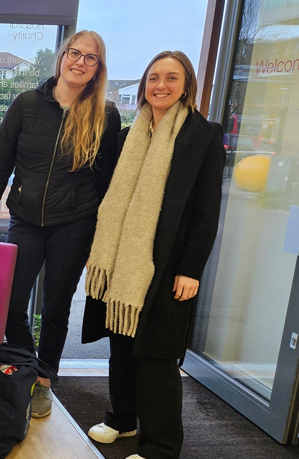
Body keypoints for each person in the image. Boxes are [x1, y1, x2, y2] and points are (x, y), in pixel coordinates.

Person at [0, 30, 121, 418]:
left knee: (56, 307)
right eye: (75, 53)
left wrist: (100, 239)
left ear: (98, 68)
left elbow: (107, 184)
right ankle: (25, 365)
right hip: (26, 221)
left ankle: (44, 381)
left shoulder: (106, 115)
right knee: (12, 302)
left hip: (75, 224)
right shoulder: (25, 105)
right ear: (62, 56)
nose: (80, 62)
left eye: (90, 58)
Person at [82, 51, 225, 459]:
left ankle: (161, 445)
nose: (160, 85)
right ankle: (123, 419)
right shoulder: (131, 135)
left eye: (171, 77)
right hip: (123, 263)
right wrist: (100, 251)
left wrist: (191, 269)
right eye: (153, 78)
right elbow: (114, 202)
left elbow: (206, 211)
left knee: (157, 357)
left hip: (168, 267)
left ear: (186, 85)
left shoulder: (203, 135)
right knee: (122, 345)